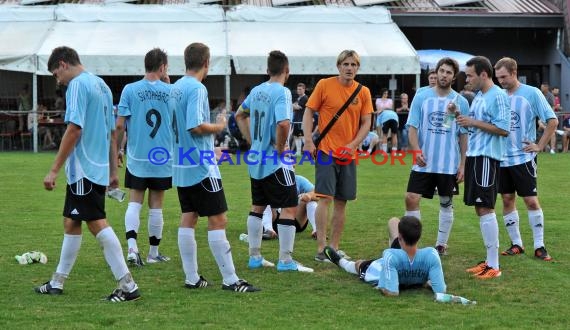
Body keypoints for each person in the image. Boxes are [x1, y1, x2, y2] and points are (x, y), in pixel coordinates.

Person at [35, 46, 140, 302]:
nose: (57, 81)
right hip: (97, 167)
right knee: (72, 222)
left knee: (96, 222)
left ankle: (128, 286)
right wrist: (113, 171)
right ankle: (57, 281)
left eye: (55, 75)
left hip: (82, 167)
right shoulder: (101, 85)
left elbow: (74, 129)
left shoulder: (77, 86)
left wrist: (53, 169)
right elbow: (111, 132)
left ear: (62, 64)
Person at [171, 42, 259, 291]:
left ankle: (192, 278)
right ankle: (231, 280)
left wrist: (212, 147)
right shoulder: (197, 88)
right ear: (207, 63)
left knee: (189, 217)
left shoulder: (175, 88)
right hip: (200, 166)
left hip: (182, 161)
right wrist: (219, 125)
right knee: (218, 219)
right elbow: (196, 126)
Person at [235, 50, 313, 273]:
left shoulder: (257, 90)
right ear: (287, 71)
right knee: (289, 208)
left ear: (267, 70)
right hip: (276, 162)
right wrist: (280, 149)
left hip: (256, 158)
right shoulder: (283, 93)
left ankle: (255, 257)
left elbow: (239, 114)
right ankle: (286, 260)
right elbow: (283, 124)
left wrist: (252, 141)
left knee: (257, 207)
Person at [302, 49, 373, 262]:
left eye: (353, 65)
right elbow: (308, 112)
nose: (349, 68)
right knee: (324, 199)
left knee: (342, 202)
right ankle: (321, 248)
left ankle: (334, 246)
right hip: (326, 151)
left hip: (348, 154)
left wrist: (352, 145)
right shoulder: (324, 85)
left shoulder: (363, 92)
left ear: (357, 68)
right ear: (338, 66)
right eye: (346, 64)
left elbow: (366, 122)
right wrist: (307, 140)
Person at [494, 57, 557, 261]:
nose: (501, 81)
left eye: (503, 77)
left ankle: (539, 246)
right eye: (498, 78)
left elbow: (552, 121)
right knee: (507, 199)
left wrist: (539, 145)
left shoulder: (532, 93)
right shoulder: (498, 95)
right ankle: (516, 244)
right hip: (501, 159)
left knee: (530, 200)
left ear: (514, 72)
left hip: (523, 158)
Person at [405, 57, 469, 256]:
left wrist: (463, 164)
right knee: (411, 198)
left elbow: (463, 135)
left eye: (449, 72)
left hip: (448, 163)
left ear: (454, 76)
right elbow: (412, 127)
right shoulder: (422, 96)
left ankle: (441, 245)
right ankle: (411, 243)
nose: (444, 75)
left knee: (445, 202)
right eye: (442, 71)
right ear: (437, 72)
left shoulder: (462, 101)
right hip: (424, 161)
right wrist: (416, 150)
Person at [116, 48, 173, 267]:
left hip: (137, 157)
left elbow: (121, 125)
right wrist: (168, 84)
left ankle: (132, 250)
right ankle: (153, 253)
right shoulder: (171, 91)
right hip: (161, 158)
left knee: (135, 202)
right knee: (156, 205)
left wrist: (118, 151)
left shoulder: (129, 90)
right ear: (162, 67)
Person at [457, 56, 510, 279]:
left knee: (486, 206)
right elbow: (476, 125)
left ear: (484, 74)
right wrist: (462, 118)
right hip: (475, 157)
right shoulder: (479, 96)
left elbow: (504, 128)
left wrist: (472, 122)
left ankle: (494, 266)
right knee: (479, 207)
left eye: (470, 75)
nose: (467, 79)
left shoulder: (497, 96)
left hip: (487, 158)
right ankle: (488, 261)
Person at [323, 216, 446, 297]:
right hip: (409, 268)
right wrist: (425, 282)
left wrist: (381, 287)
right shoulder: (431, 254)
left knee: (359, 264)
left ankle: (340, 261)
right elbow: (441, 290)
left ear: (400, 238)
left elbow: (392, 293)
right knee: (393, 221)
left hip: (385, 269)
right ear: (419, 237)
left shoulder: (390, 255)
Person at [540, 82, 557, 154]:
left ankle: (552, 149)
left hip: (548, 117)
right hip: (541, 116)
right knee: (541, 127)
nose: (541, 88)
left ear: (546, 87)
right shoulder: (540, 94)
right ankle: (544, 147)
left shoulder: (550, 96)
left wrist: (550, 116)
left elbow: (553, 106)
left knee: (552, 133)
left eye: (542, 87)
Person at [292, 83, 308, 156]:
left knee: (302, 136)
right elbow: (294, 107)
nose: (298, 91)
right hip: (296, 119)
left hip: (301, 119)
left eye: (300, 89)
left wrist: (291, 104)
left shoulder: (305, 98)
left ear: (304, 89)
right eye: (298, 89)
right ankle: (298, 152)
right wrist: (294, 105)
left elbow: (298, 107)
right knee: (296, 136)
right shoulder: (298, 98)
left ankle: (308, 152)